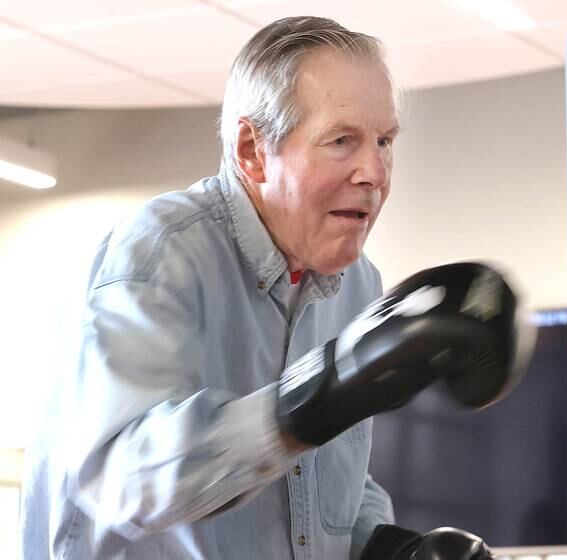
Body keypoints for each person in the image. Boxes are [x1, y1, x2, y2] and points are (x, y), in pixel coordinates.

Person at [20, 15, 525, 560]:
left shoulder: (357, 283)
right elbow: (123, 480)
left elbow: (325, 484)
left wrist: (389, 548)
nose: (375, 172)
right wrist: (319, 395)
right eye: (342, 140)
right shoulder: (163, 251)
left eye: (384, 140)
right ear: (252, 151)